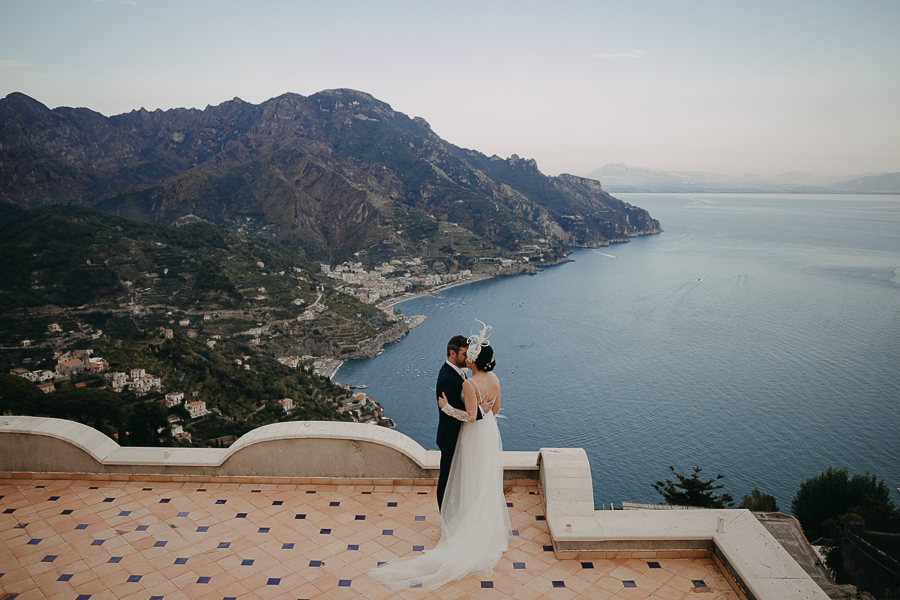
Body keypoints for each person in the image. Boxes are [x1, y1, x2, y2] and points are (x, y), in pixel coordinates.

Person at [370, 321, 511, 591]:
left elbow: (470, 416)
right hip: (488, 434)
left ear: (473, 361)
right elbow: (494, 410)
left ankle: (459, 528)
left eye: (469, 355)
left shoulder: (469, 383)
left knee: (468, 477)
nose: (466, 357)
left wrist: (447, 408)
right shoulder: (493, 379)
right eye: (464, 353)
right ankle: (472, 525)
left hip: (471, 435)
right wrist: (482, 414)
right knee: (480, 479)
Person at [434, 334, 481, 511]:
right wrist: (480, 411)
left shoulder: (456, 372)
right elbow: (458, 413)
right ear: (452, 353)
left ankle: (457, 512)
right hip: (450, 438)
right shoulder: (447, 378)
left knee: (457, 479)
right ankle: (445, 518)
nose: (467, 358)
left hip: (458, 436)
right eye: (464, 354)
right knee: (446, 480)